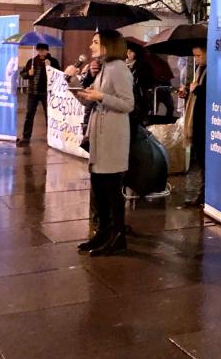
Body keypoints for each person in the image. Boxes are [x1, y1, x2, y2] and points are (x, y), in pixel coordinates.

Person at [74, 30, 134, 256]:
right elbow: (90, 100)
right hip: (99, 136)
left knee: (111, 188)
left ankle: (118, 235)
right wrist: (72, 81)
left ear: (108, 45)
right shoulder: (104, 68)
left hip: (112, 137)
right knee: (99, 186)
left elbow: (128, 104)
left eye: (96, 42)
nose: (91, 46)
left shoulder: (119, 69)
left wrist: (100, 97)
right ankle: (104, 231)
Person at [179, 43, 207, 206]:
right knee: (200, 156)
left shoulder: (211, 71)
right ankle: (202, 194)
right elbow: (194, 92)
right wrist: (186, 91)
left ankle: (204, 195)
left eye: (199, 55)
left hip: (204, 120)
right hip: (196, 118)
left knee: (204, 159)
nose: (196, 59)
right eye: (194, 56)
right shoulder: (198, 70)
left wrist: (196, 89)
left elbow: (211, 94)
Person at [17, 43, 60, 146]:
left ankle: (52, 137)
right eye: (39, 50)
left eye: (43, 50)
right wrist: (28, 73)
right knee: (29, 115)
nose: (41, 52)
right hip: (33, 92)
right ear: (37, 50)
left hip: (47, 93)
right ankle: (26, 137)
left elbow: (59, 75)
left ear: (47, 50)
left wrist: (50, 67)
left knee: (49, 115)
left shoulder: (53, 61)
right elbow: (23, 74)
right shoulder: (31, 61)